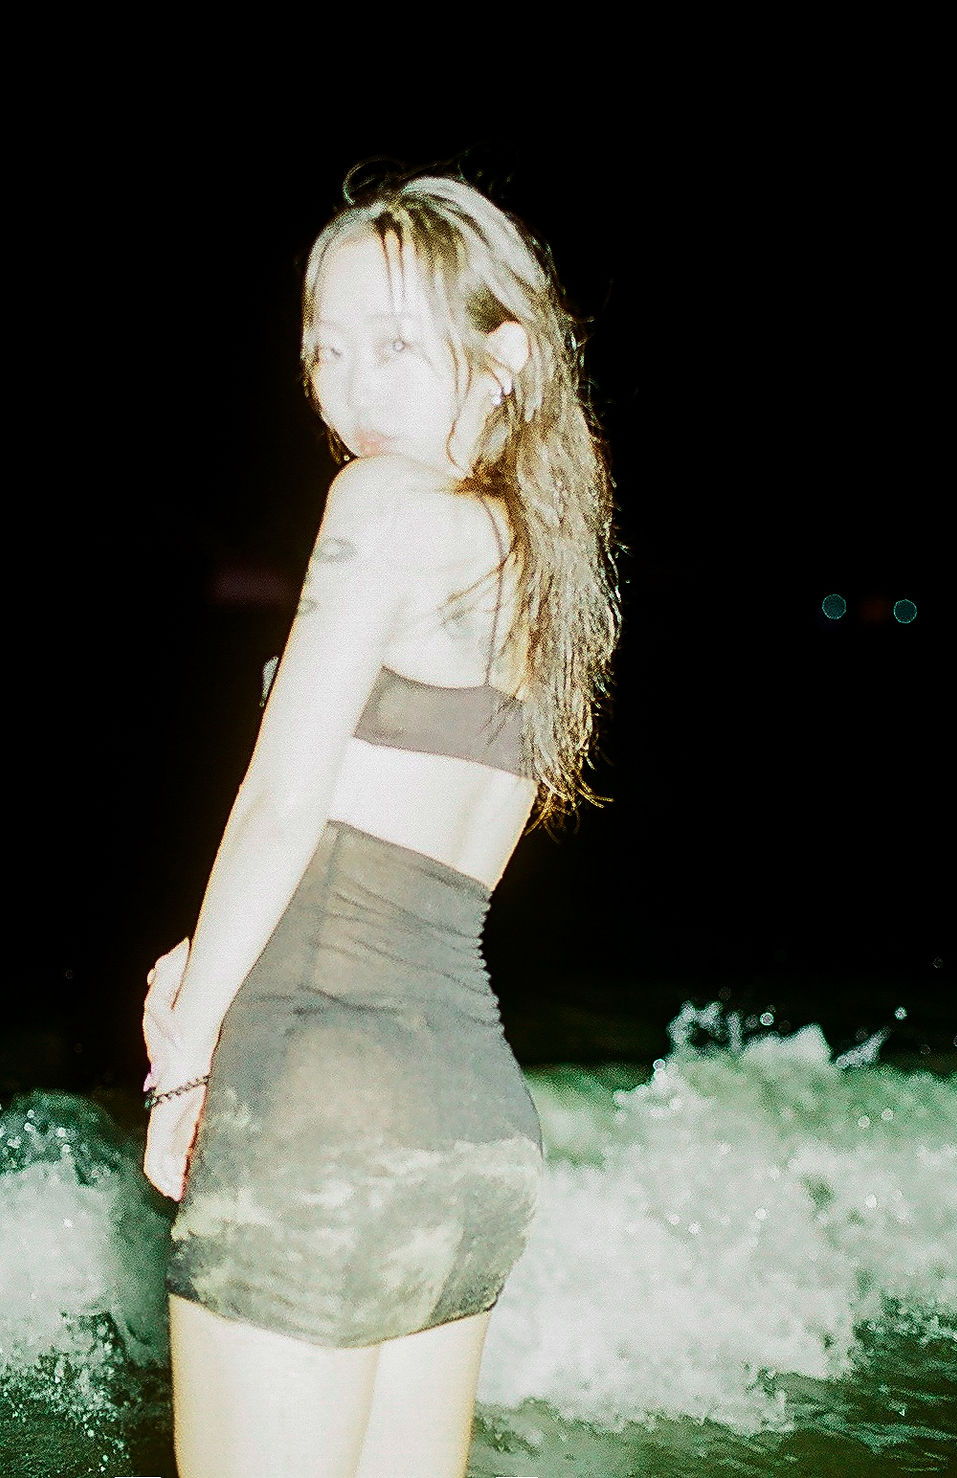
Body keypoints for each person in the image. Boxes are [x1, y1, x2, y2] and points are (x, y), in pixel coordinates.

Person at [141, 167, 620, 1478]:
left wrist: (188, 1056)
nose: (352, 388)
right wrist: (214, 956)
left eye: (395, 345)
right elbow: (406, 860)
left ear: (505, 356)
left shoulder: (383, 506)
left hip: (323, 1097)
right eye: (328, 350)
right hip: (469, 1127)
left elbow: (285, 800)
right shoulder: (545, 571)